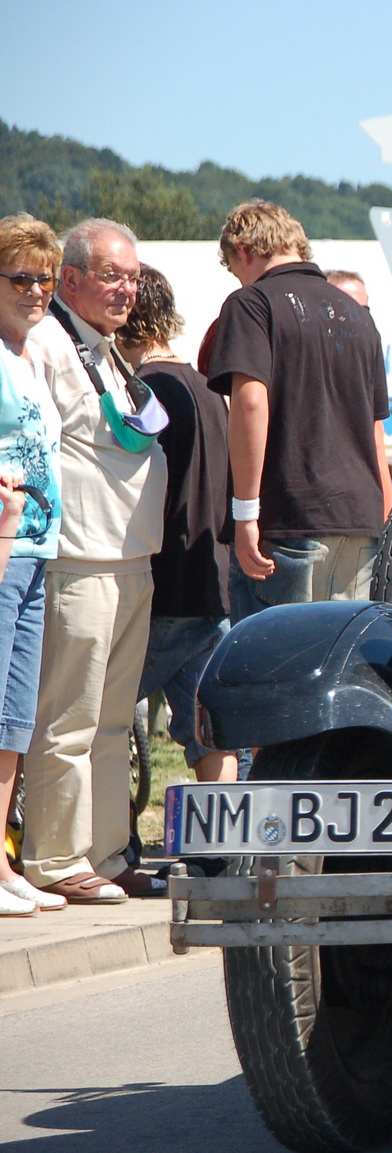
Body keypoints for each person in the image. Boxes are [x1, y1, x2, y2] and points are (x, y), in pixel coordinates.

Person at [23, 217, 166, 902]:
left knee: (113, 722)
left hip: (129, 559)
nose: (126, 289)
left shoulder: (107, 350)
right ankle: (56, 858)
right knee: (69, 717)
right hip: (79, 559)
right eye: (112, 275)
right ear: (70, 278)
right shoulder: (47, 342)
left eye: (133, 278)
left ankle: (107, 851)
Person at [206, 201, 392, 622]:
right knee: (338, 669)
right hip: (359, 520)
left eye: (235, 269)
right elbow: (375, 427)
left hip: (288, 519)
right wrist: (380, 514)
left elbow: (251, 402)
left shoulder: (251, 303)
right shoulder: (359, 317)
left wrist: (245, 513)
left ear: (244, 251)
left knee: (272, 672)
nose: (239, 279)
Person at [115, 266, 237, 785]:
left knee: (94, 717)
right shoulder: (208, 389)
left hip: (162, 589)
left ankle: (105, 844)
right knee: (209, 733)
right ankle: (222, 854)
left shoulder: (146, 390)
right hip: (212, 585)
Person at [0, 215, 68, 915]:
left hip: (37, 548)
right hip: (3, 548)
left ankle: (2, 858)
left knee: (15, 716)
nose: (37, 290)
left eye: (45, 279)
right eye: (20, 278)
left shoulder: (27, 354)